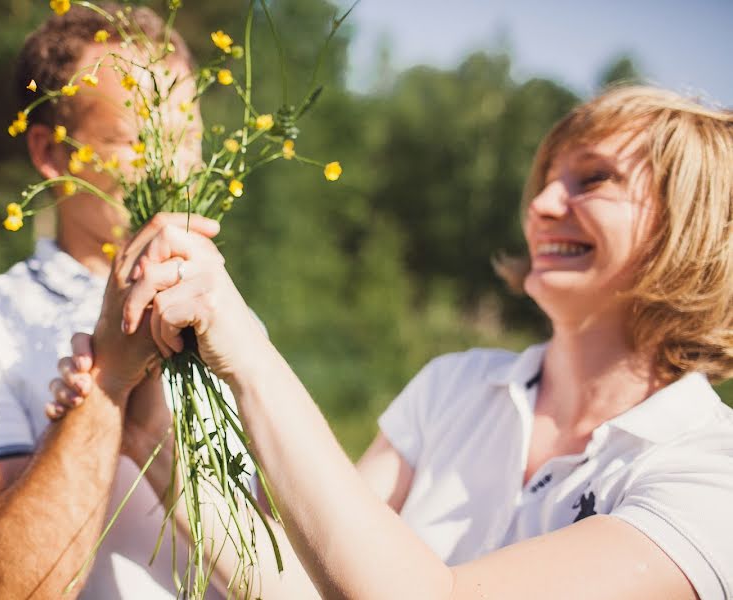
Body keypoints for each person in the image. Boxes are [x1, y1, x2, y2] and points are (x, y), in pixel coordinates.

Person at [51, 86, 733, 599]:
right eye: (547, 180)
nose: (543, 205)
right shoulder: (455, 385)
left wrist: (247, 352)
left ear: (692, 222)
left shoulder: (711, 475)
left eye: (593, 179)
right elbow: (305, 581)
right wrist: (152, 441)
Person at [0, 5, 225, 598]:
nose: (177, 168)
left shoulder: (223, 321)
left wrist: (160, 447)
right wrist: (107, 386)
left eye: (188, 135)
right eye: (140, 138)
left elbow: (281, 559)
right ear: (52, 156)